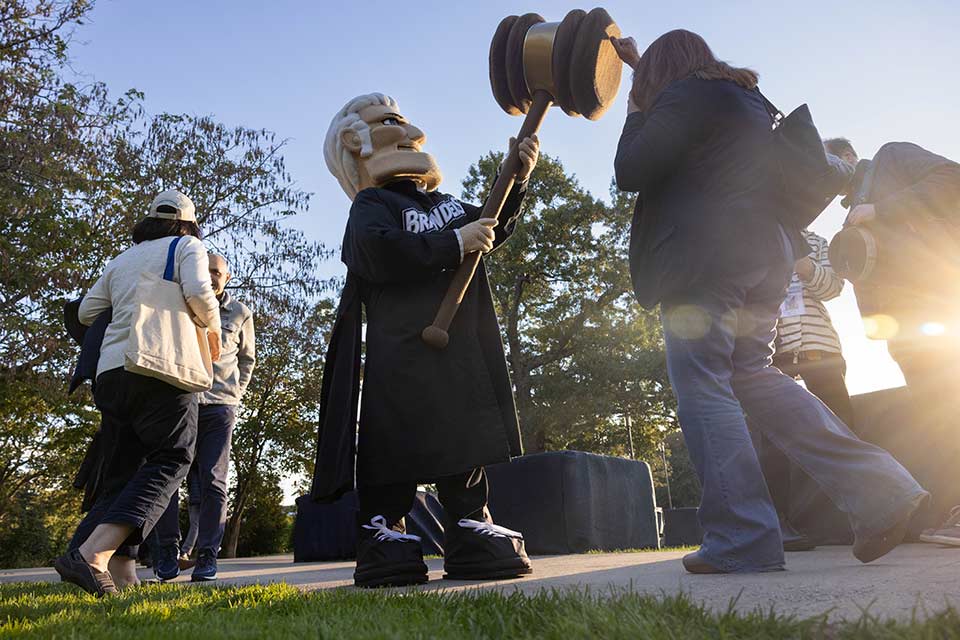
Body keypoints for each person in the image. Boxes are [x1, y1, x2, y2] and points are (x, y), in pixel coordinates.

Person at [610, 30, 928, 574]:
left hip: (705, 262)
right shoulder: (745, 99)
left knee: (705, 384)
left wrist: (636, 104)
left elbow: (631, 169)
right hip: (766, 258)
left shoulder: (684, 96)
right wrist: (642, 67)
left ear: (665, 74)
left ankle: (743, 535)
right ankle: (882, 492)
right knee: (753, 375)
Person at [312, 93, 538, 587]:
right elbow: (374, 251)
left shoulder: (447, 204)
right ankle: (383, 528)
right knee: (395, 436)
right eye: (391, 122)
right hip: (403, 347)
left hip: (458, 345)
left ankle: (467, 522)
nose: (408, 131)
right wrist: (453, 243)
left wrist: (515, 181)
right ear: (357, 144)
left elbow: (491, 224)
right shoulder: (375, 204)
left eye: (404, 120)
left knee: (464, 430)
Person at [55, 190, 221, 596]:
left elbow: (86, 312)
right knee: (173, 457)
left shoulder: (122, 260)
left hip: (111, 374)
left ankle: (122, 572)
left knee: (123, 471)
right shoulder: (188, 246)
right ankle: (94, 555)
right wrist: (212, 330)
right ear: (188, 223)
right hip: (161, 365)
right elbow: (200, 294)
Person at [825, 136, 960, 544]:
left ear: (848, 157)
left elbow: (952, 178)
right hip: (905, 332)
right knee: (940, 419)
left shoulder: (891, 156)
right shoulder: (851, 215)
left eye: (829, 162)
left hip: (939, 304)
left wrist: (880, 209)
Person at [151, 253, 256, 582]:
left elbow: (247, 359)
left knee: (213, 480)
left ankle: (208, 555)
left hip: (219, 406)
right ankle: (167, 549)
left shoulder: (239, 312)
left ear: (226, 277)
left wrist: (234, 394)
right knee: (168, 478)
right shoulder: (178, 303)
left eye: (217, 272)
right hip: (180, 403)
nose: (210, 276)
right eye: (205, 270)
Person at [760, 229, 855, 548]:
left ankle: (853, 517)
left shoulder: (815, 242)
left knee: (841, 429)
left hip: (821, 348)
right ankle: (780, 523)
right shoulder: (762, 237)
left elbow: (834, 287)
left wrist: (805, 266)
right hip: (776, 351)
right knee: (773, 439)